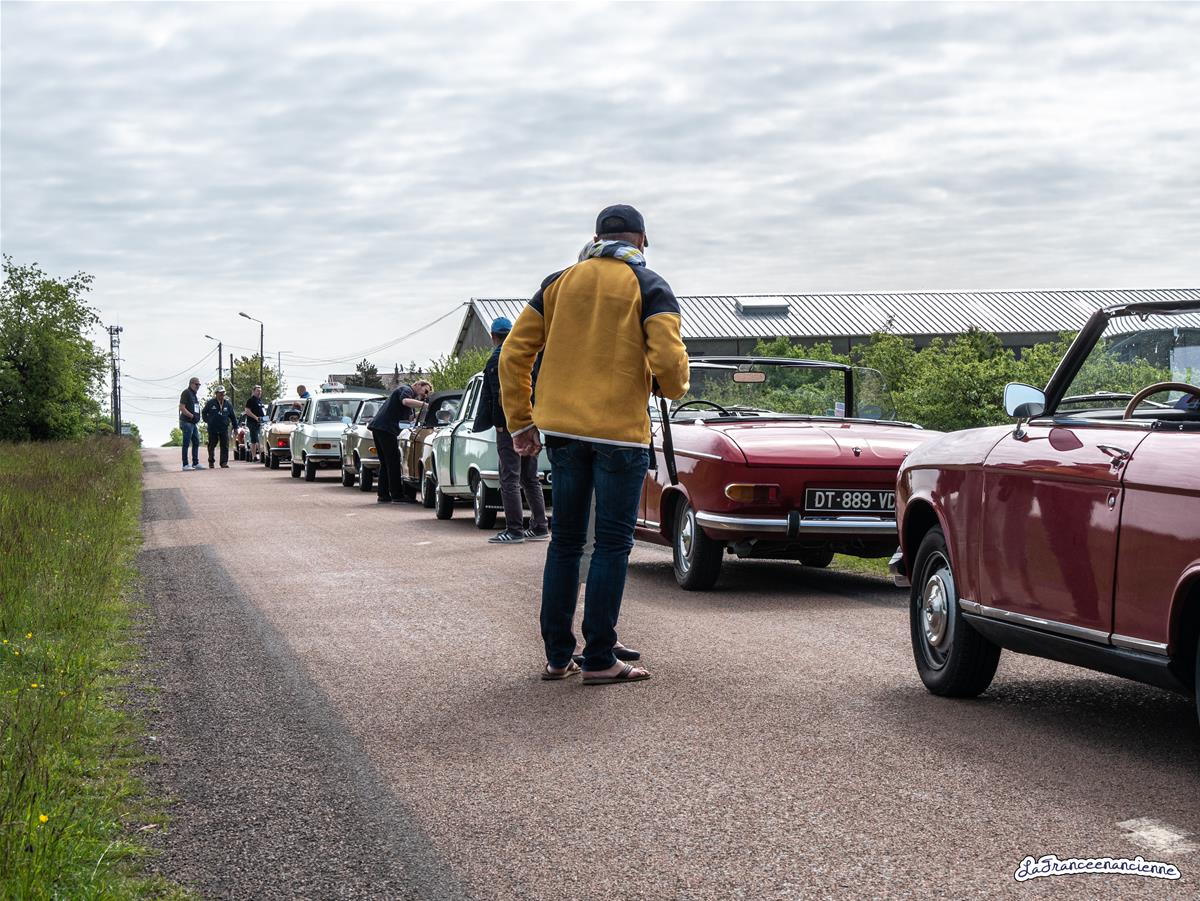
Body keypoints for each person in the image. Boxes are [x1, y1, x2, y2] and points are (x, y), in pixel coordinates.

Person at [500, 204, 689, 685]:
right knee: (611, 545)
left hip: (563, 433)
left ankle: (557, 656)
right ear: (641, 239)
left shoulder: (557, 284)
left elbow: (513, 354)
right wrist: (670, 386)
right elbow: (669, 363)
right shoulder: (650, 285)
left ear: (596, 237)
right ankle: (601, 656)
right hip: (619, 434)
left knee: (565, 542)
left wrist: (521, 421)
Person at [473, 317, 549, 545]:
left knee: (509, 478)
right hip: (531, 421)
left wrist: (499, 423)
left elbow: (499, 395)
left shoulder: (498, 358)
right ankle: (540, 526)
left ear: (493, 336)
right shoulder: (527, 356)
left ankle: (514, 530)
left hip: (509, 425)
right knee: (530, 477)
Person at [370, 379, 433, 503]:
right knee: (393, 462)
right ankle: (397, 495)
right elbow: (405, 401)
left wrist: (422, 412)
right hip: (385, 429)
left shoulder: (410, 397)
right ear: (418, 385)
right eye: (425, 391)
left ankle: (383, 495)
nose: (424, 395)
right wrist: (426, 405)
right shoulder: (406, 389)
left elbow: (408, 418)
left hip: (380, 428)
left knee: (386, 463)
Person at [202, 386, 238, 468]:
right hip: (213, 428)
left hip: (224, 428)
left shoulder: (227, 404)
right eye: (220, 393)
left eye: (223, 393)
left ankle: (223, 462)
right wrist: (208, 421)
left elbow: (233, 417)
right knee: (212, 445)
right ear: (216, 393)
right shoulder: (210, 403)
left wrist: (235, 427)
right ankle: (211, 461)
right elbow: (204, 412)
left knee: (225, 445)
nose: (222, 394)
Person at [178, 376, 203, 471]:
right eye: (196, 384)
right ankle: (185, 464)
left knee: (196, 442)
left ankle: (195, 463)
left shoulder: (194, 395)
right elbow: (182, 407)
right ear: (191, 384)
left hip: (193, 423)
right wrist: (191, 416)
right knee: (186, 443)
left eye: (199, 385)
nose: (198, 386)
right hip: (186, 422)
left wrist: (196, 417)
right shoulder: (186, 393)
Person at [244, 385, 266, 462]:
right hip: (252, 423)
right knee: (254, 439)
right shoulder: (251, 400)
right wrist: (256, 418)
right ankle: (254, 456)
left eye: (260, 391)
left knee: (260, 439)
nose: (259, 392)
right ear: (253, 391)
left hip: (261, 423)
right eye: (257, 391)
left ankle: (262, 456)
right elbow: (247, 411)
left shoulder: (259, 401)